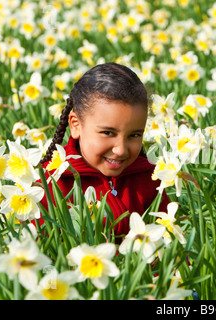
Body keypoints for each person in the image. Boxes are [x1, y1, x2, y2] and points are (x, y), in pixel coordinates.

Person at [39, 62, 170, 243]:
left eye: (134, 135)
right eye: (108, 133)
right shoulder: (50, 184)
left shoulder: (150, 178)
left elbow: (168, 249)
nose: (121, 149)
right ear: (76, 125)